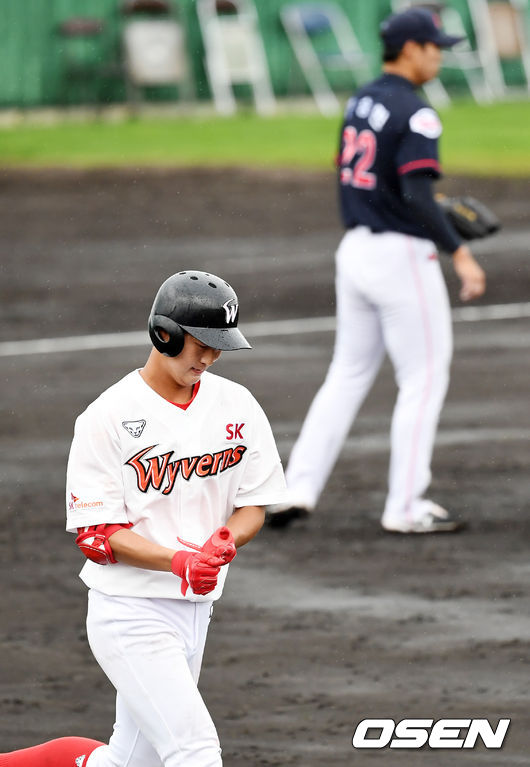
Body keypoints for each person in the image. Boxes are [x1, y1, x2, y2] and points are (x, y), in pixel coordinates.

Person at [1, 270, 286, 767]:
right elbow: (98, 536)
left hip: (196, 611)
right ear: (164, 334)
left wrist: (227, 539)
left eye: (219, 347)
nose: (210, 358)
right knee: (194, 750)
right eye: (201, 344)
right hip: (129, 612)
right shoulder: (107, 416)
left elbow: (252, 505)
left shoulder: (236, 404)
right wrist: (179, 562)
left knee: (132, 763)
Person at [266, 7, 486, 534]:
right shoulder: (418, 111)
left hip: (356, 251)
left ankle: (297, 488)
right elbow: (416, 193)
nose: (439, 56)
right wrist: (458, 250)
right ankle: (405, 506)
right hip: (401, 258)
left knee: (346, 374)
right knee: (423, 379)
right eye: (434, 47)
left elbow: (365, 175)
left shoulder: (361, 99)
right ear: (410, 49)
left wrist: (423, 208)